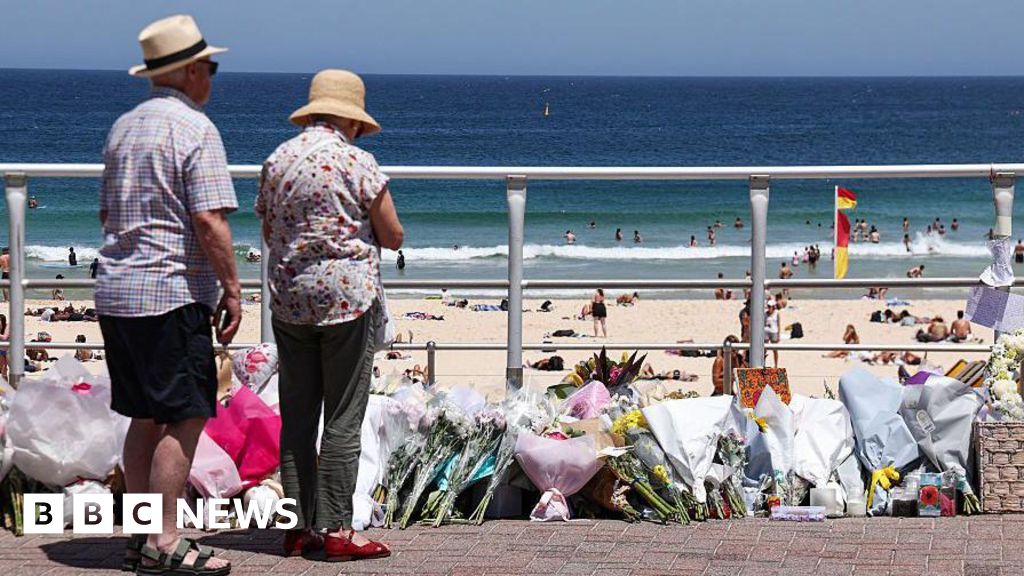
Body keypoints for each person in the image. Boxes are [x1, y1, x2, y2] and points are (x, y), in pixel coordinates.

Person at [96, 15, 237, 575]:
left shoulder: (123, 127)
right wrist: (232, 288)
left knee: (143, 416)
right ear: (192, 70)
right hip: (169, 291)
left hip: (117, 290)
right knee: (185, 415)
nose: (212, 77)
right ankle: (166, 539)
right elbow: (209, 218)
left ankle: (141, 535)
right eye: (210, 67)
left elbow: (107, 213)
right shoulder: (195, 129)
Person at [257, 69, 401, 561]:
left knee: (297, 415)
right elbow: (392, 234)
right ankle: (338, 528)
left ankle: (297, 528)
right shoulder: (358, 162)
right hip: (346, 301)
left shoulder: (278, 160)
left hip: (290, 299)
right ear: (352, 120)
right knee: (342, 415)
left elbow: (268, 228)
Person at [765, 303, 780, 368]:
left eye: (770, 306)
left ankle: (776, 365)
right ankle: (763, 363)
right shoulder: (765, 313)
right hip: (766, 332)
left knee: (775, 349)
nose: (769, 308)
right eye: (768, 306)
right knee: (764, 349)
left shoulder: (776, 313)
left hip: (774, 332)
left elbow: (778, 324)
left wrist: (778, 335)